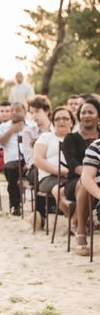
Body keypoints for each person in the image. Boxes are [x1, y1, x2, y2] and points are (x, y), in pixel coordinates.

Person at [63, 98, 100, 256]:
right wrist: (90, 174)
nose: (87, 115)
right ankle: (81, 232)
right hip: (74, 181)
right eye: (83, 112)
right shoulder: (71, 138)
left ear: (98, 115)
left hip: (96, 180)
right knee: (85, 183)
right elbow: (72, 163)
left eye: (90, 112)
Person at [0, 102, 28, 215]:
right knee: (10, 169)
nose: (14, 113)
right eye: (12, 111)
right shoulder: (2, 127)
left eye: (18, 110)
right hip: (12, 163)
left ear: (25, 112)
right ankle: (15, 206)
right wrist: (11, 130)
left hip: (30, 160)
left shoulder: (32, 125)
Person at [33, 106, 73, 203]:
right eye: (57, 119)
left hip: (73, 176)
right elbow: (37, 159)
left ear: (72, 122)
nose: (61, 121)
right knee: (63, 190)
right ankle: (75, 217)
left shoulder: (76, 138)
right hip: (49, 177)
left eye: (65, 119)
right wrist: (57, 171)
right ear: (53, 123)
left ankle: (76, 217)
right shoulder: (46, 137)